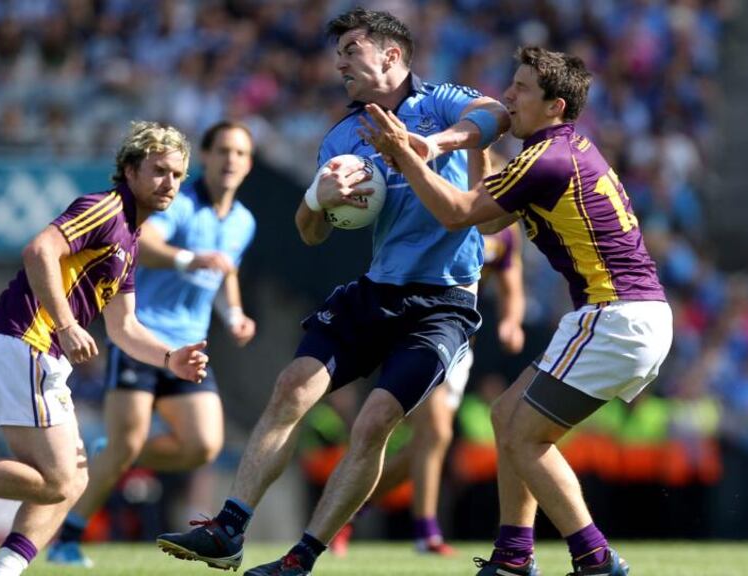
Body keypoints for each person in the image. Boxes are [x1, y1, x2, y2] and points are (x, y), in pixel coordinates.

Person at [155, 7, 509, 575]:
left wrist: (430, 145)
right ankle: (229, 529)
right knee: (292, 387)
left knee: (373, 424)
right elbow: (308, 231)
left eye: (351, 50)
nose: (338, 62)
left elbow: (496, 114)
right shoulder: (344, 135)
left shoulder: (438, 100)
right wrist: (318, 198)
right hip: (377, 289)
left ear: (390, 56)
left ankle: (301, 557)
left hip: (443, 302)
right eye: (337, 52)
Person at [361, 47, 672, 576]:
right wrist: (480, 144)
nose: (507, 96)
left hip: (614, 317)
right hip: (624, 316)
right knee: (506, 415)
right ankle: (512, 557)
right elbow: (485, 220)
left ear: (555, 105)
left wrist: (404, 153)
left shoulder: (544, 159)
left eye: (522, 89)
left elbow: (457, 214)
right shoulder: (561, 150)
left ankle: (595, 559)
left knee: (526, 436)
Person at [0, 121, 209, 576]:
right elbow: (39, 249)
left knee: (72, 481)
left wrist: (170, 357)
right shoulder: (105, 208)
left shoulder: (131, 241)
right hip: (23, 340)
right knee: (59, 479)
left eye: (177, 175)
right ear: (130, 170)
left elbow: (125, 327)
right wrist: (67, 323)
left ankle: (2, 571)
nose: (169, 183)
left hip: (27, 349)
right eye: (158, 170)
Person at [48, 121, 258, 567]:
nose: (230, 160)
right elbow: (147, 243)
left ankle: (112, 454)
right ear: (205, 157)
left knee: (203, 445)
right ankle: (68, 535)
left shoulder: (244, 221)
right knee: (127, 445)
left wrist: (234, 314)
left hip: (189, 346)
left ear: (249, 164)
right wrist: (189, 258)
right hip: (143, 336)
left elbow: (225, 271)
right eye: (222, 150)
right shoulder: (180, 202)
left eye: (239, 153)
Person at [332, 220, 526, 556]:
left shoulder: (505, 229)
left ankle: (345, 508)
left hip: (462, 346)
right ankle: (426, 533)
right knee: (436, 434)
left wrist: (511, 321)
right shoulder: (447, 213)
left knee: (423, 449)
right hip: (422, 334)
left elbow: (512, 282)